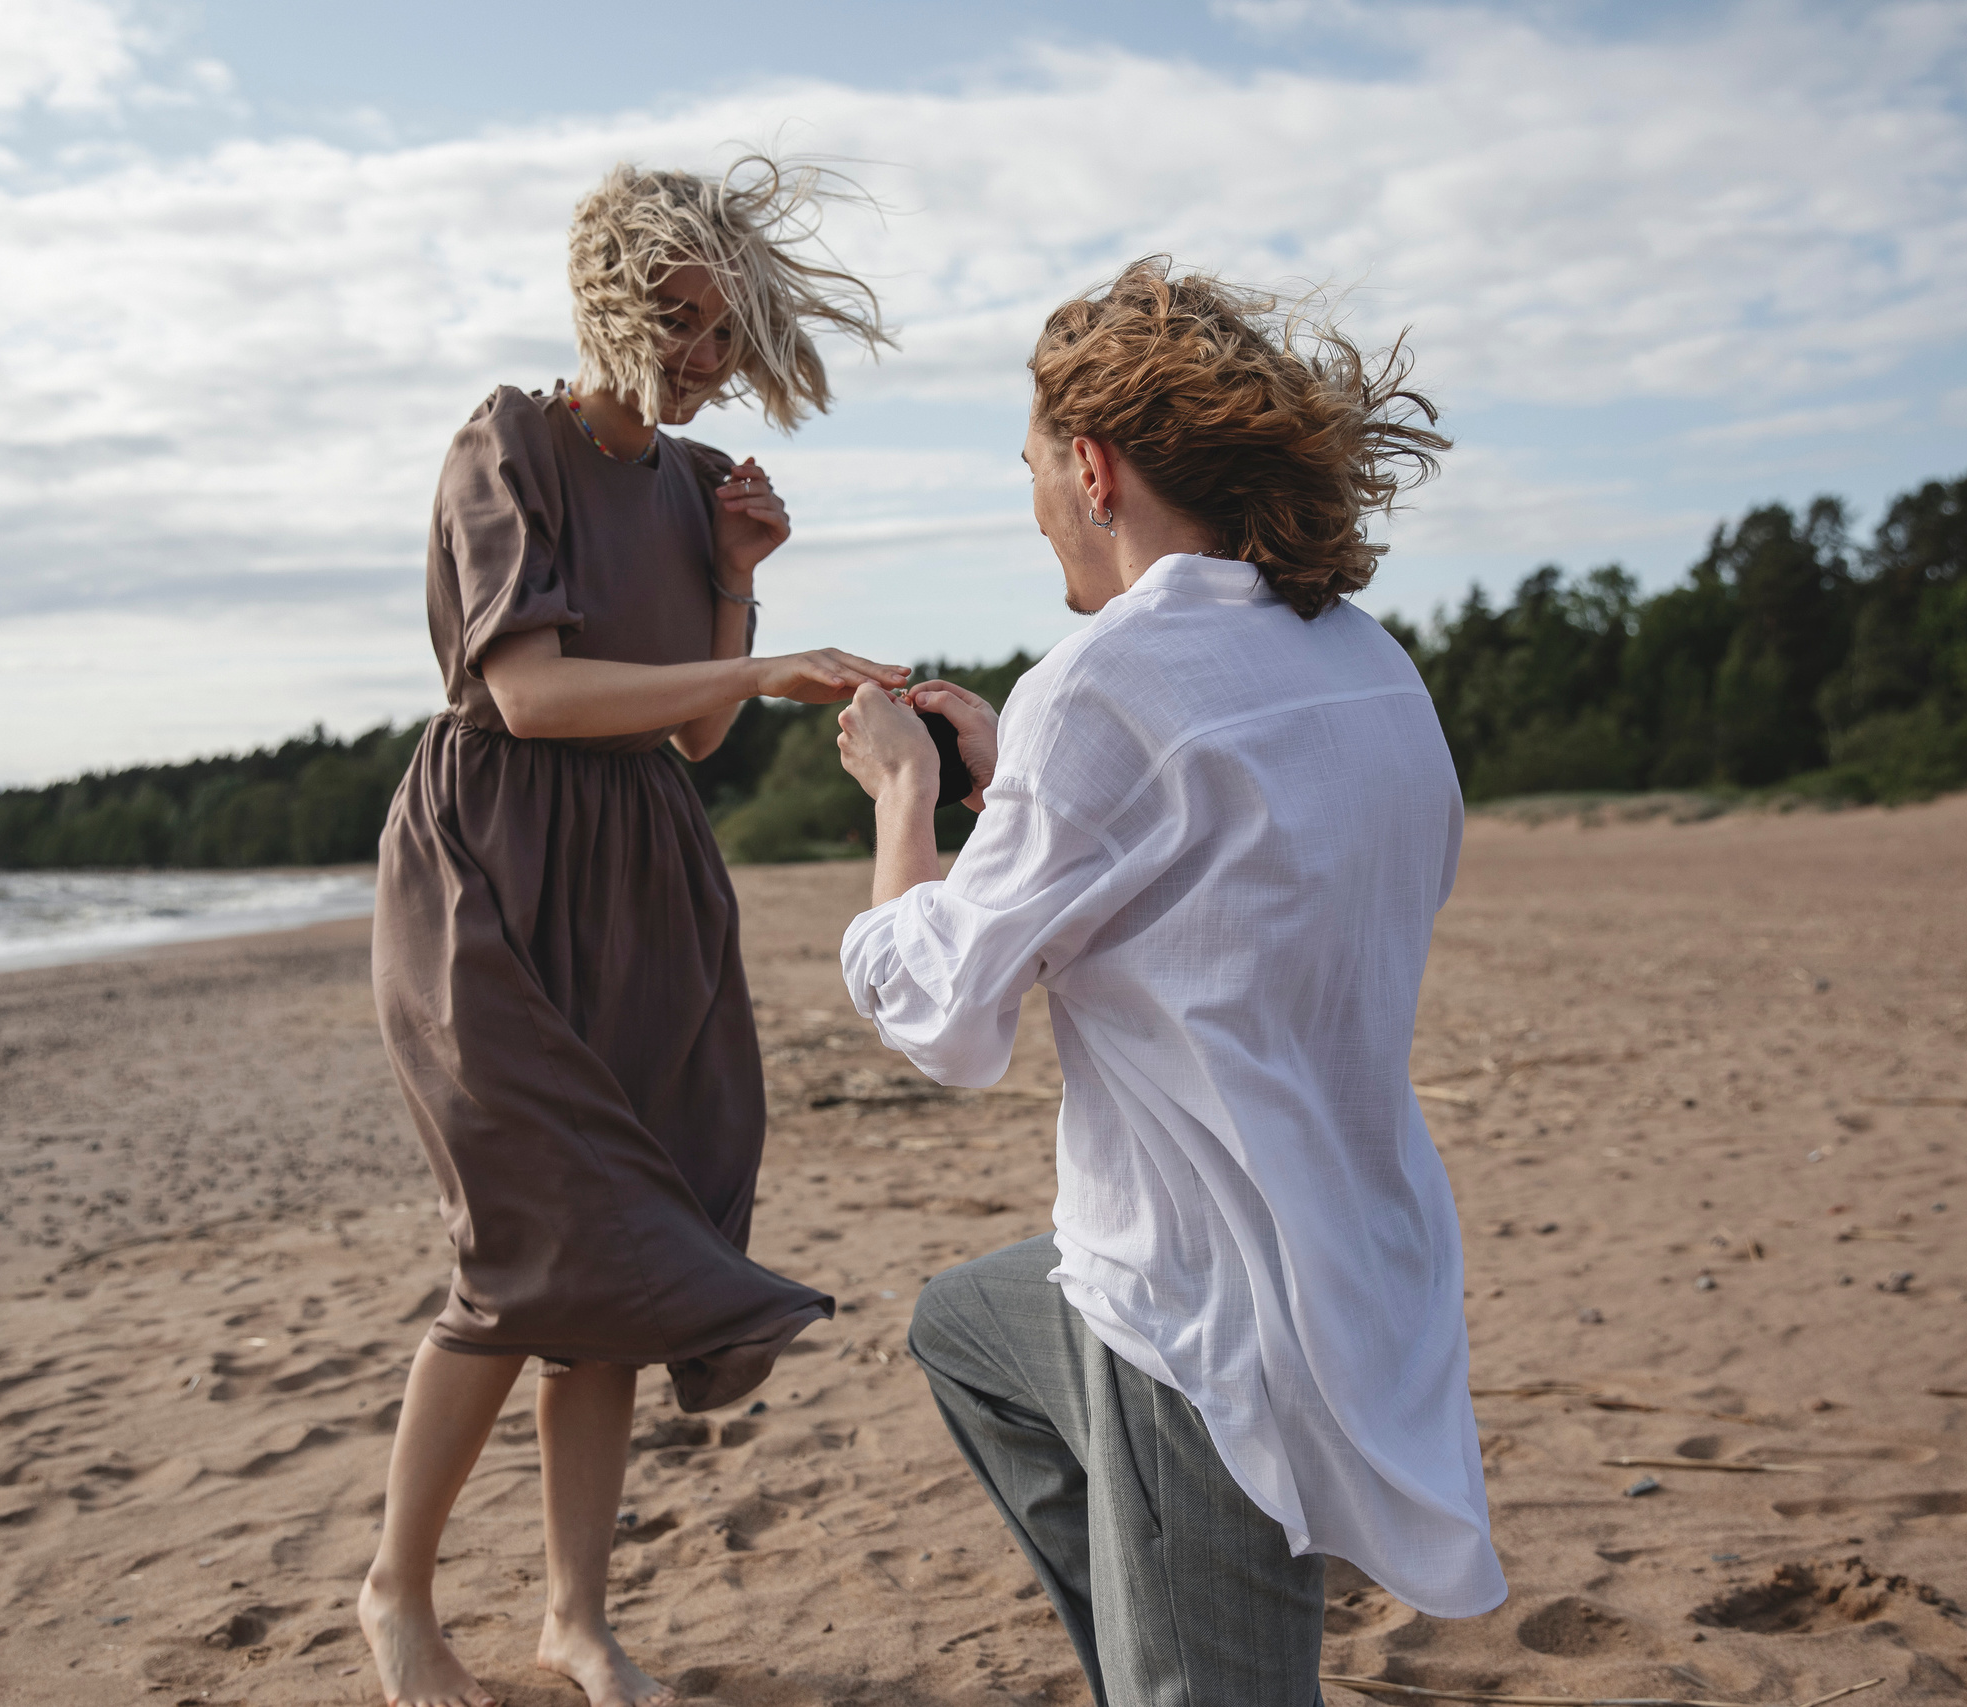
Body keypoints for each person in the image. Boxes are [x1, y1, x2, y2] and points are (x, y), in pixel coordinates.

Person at [834, 258, 1507, 1705]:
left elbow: (944, 1018)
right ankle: (1161, 1636)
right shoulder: (1365, 660)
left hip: (1199, 1304)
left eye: (1029, 469)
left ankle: (1176, 1651)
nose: (1033, 509)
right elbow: (1249, 872)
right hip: (1366, 1249)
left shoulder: (1101, 679)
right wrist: (1024, 800)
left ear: (1091, 466)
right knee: (964, 1328)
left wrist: (905, 802)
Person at [359, 157, 908, 1707]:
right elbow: (531, 696)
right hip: (494, 871)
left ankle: (574, 1619)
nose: (706, 358)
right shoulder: (506, 443)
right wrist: (762, 661)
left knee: (618, 1249)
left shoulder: (692, 487)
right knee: (524, 1238)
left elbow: (689, 749)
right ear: (612, 293)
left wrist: (733, 592)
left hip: (647, 875)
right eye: (685, 319)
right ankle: (396, 1597)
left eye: (728, 334)